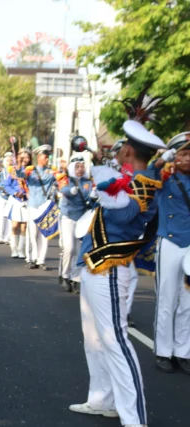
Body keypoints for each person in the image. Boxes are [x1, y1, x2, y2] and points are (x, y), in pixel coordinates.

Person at [70, 119, 166, 427]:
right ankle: (103, 400)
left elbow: (126, 217)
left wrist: (108, 189)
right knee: (93, 338)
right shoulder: (128, 176)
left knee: (115, 340)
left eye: (122, 146)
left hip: (111, 267)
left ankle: (135, 418)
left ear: (127, 150)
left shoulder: (146, 182)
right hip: (94, 262)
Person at [149, 132, 190, 374]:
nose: (188, 159)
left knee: (188, 303)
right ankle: (163, 351)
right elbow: (146, 177)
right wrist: (162, 159)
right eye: (183, 153)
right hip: (170, 242)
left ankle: (183, 351)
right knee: (167, 298)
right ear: (175, 156)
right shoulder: (164, 179)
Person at [58, 155, 93, 293]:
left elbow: (90, 196)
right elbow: (62, 188)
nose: (80, 169)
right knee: (69, 248)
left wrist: (94, 196)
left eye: (82, 166)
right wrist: (69, 190)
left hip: (82, 218)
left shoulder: (87, 182)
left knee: (80, 250)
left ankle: (76, 277)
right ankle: (65, 275)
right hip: (68, 217)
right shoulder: (66, 178)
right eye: (77, 166)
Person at [24, 145, 56, 270]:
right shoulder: (30, 171)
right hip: (33, 205)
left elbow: (61, 178)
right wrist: (20, 166)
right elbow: (21, 175)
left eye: (48, 157)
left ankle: (41, 259)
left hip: (45, 205)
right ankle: (31, 258)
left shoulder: (51, 172)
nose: (47, 159)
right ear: (38, 158)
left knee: (44, 235)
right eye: (45, 157)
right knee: (32, 233)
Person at [4, 150, 31, 259]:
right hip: (16, 200)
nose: (24, 160)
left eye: (27, 158)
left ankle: (21, 249)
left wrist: (27, 193)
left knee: (24, 226)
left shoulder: (31, 171)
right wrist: (15, 193)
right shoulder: (14, 170)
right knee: (15, 225)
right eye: (22, 157)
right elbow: (7, 185)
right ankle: (14, 248)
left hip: (26, 200)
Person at [0, 153, 13, 244]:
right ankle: (0, 236)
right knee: (1, 217)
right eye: (8, 160)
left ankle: (7, 237)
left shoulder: (14, 171)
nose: (10, 162)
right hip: (1, 196)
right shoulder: (0, 172)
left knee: (9, 218)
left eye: (11, 160)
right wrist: (2, 187)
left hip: (11, 197)